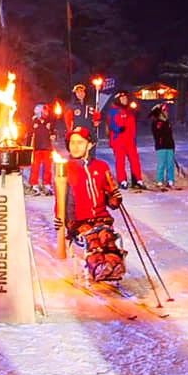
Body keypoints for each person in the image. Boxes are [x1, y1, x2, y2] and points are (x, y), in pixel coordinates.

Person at [61, 125, 126, 283]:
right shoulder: (65, 169)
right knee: (94, 241)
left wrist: (114, 197)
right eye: (72, 143)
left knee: (106, 238)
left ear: (89, 145)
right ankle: (98, 267)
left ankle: (114, 265)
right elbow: (61, 198)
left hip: (101, 218)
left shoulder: (101, 167)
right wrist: (62, 221)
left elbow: (111, 198)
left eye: (80, 142)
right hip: (79, 221)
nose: (75, 147)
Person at [106, 90, 146, 190]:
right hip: (118, 140)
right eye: (122, 98)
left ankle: (137, 179)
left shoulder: (129, 110)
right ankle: (122, 180)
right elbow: (111, 123)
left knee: (135, 160)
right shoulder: (114, 110)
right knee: (120, 161)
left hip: (130, 140)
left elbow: (136, 122)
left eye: (125, 98)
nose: (125, 100)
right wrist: (118, 129)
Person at [26, 103, 55, 195]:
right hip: (37, 148)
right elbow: (29, 135)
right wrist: (27, 147)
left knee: (48, 167)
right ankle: (34, 185)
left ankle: (47, 185)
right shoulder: (34, 122)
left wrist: (53, 135)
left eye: (47, 111)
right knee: (35, 167)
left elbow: (53, 132)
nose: (46, 113)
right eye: (44, 111)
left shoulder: (49, 122)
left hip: (47, 148)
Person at [149, 101, 176, 189]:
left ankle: (170, 179)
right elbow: (156, 134)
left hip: (169, 145)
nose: (166, 112)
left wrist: (172, 144)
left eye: (166, 110)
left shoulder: (167, 122)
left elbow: (170, 134)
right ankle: (159, 180)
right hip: (161, 146)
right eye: (164, 110)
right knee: (161, 164)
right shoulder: (157, 122)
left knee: (170, 164)